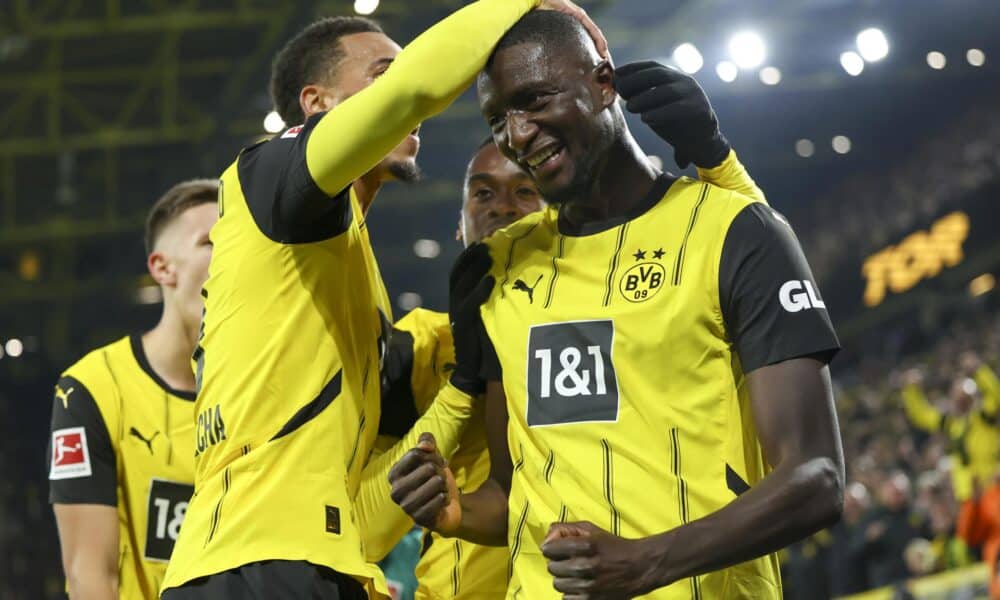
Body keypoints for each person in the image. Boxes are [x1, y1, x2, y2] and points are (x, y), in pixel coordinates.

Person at [390, 11, 844, 599]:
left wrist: (647, 563)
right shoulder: (500, 266)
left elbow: (815, 478)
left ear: (604, 83)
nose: (517, 135)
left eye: (534, 100)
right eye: (498, 118)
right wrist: (456, 511)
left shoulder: (733, 231)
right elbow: (514, 493)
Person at [160, 2, 606, 598]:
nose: (398, 83)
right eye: (379, 73)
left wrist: (466, 381)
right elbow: (418, 86)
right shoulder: (264, 177)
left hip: (319, 564)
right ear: (316, 103)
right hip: (254, 565)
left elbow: (367, 503)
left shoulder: (342, 262)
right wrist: (524, 6)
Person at [48, 180, 218, 599]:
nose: (231, 257)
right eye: (211, 243)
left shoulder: (269, 389)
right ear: (163, 268)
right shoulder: (91, 388)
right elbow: (90, 576)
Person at [899, 353, 1000, 501]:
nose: (959, 401)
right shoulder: (951, 423)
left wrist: (978, 371)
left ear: (973, 398)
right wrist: (911, 390)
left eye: (964, 398)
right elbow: (922, 416)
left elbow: (996, 396)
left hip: (991, 485)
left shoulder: (984, 417)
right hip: (967, 494)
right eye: (956, 397)